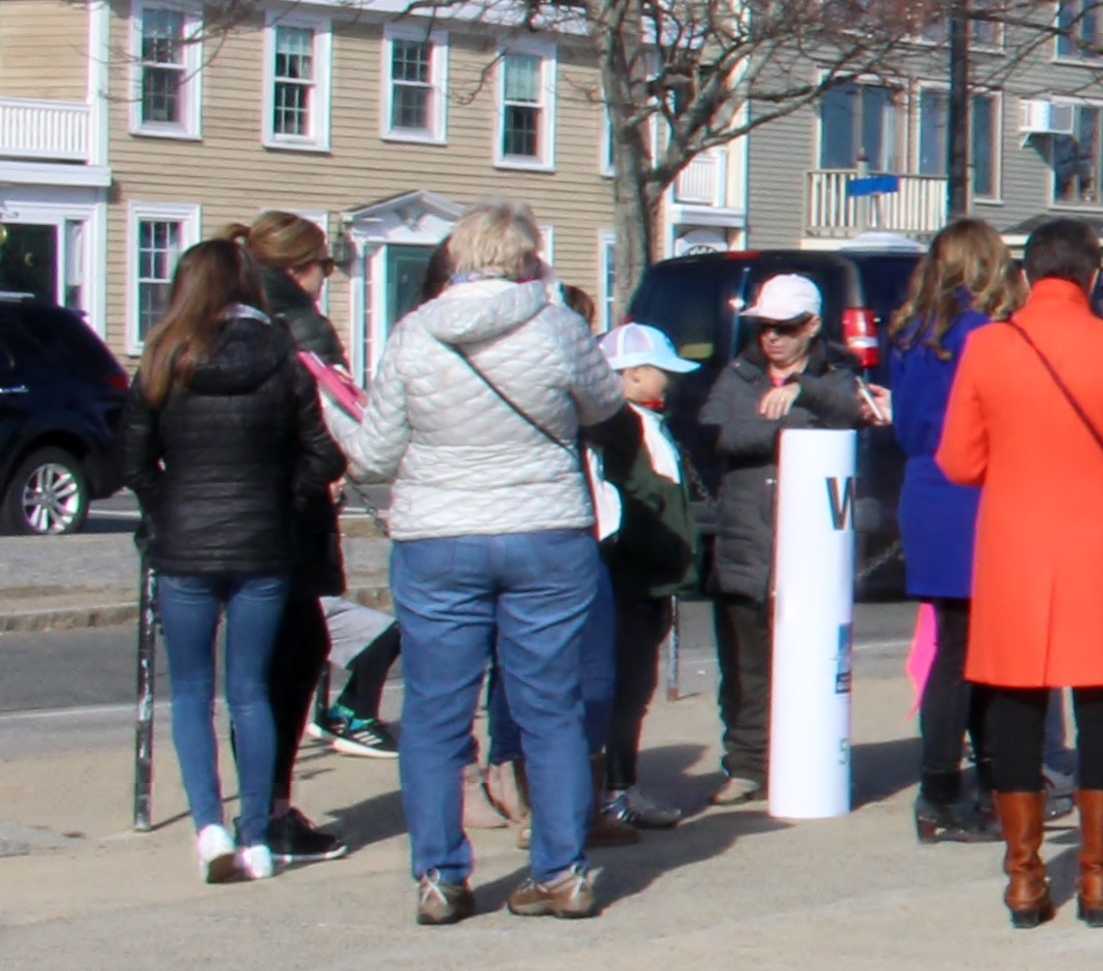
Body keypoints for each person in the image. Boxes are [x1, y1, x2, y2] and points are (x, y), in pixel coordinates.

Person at [343, 202, 625, 924]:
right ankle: (560, 871)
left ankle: (440, 876)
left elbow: (374, 455)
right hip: (545, 526)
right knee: (550, 708)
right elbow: (605, 404)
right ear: (529, 258)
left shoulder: (414, 332)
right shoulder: (557, 325)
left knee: (435, 713)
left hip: (439, 533)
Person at [941, 218, 1103, 928]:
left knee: (1016, 705)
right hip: (1098, 544)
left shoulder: (988, 347)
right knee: (1099, 707)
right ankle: (1099, 877)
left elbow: (959, 460)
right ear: (1092, 275)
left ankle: (1024, 878)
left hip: (1015, 543)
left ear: (1024, 274)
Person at [130, 238, 347, 884]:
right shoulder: (280, 353)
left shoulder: (163, 356)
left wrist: (168, 507)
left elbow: (132, 461)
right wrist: (282, 499)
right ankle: (258, 836)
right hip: (262, 542)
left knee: (192, 692)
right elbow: (324, 454)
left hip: (185, 546)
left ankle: (209, 828)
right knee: (250, 692)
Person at [696, 273, 885, 809]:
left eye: (785, 326)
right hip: (747, 543)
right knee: (746, 669)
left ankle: (808, 758)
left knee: (811, 663)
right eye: (764, 327)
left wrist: (803, 392)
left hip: (814, 551)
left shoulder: (838, 372)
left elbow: (853, 413)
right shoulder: (740, 372)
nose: (772, 337)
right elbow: (714, 431)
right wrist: (785, 428)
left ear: (812, 325)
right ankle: (747, 764)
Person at [882, 219, 1015, 843]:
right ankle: (946, 791)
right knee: (971, 653)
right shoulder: (983, 333)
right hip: (973, 489)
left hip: (924, 486)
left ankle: (975, 784)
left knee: (957, 645)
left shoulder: (910, 333)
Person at [232, 212, 359, 858]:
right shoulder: (300, 326)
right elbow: (335, 424)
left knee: (253, 668)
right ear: (296, 268)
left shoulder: (217, 316)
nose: (325, 279)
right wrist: (321, 474)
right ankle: (269, 810)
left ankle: (257, 807)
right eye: (323, 266)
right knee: (293, 656)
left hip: (228, 511)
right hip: (291, 511)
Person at [587, 325, 707, 836]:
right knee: (624, 689)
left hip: (648, 581)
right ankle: (614, 791)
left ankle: (618, 786)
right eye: (661, 370)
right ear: (633, 374)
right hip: (630, 580)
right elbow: (636, 504)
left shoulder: (648, 423)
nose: (670, 380)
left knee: (634, 687)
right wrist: (676, 552)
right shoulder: (623, 428)